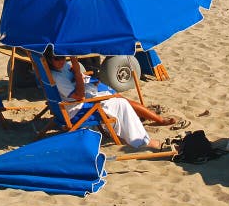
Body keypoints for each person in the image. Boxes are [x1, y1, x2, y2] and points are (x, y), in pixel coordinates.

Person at [46, 51, 179, 150]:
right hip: (77, 110)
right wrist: (76, 70)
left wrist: (76, 75)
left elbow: (73, 81)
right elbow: (79, 96)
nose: (61, 60)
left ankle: (147, 120)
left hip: (74, 102)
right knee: (121, 103)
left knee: (116, 97)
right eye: (57, 58)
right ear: (49, 59)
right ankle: (142, 141)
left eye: (62, 56)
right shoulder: (57, 77)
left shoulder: (57, 69)